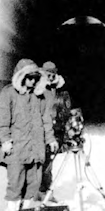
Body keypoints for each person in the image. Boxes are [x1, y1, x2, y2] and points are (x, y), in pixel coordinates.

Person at [0, 58, 58, 211]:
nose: (32, 81)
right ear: (21, 77)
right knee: (15, 181)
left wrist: (50, 138)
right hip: (16, 148)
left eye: (36, 77)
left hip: (36, 147)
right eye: (29, 77)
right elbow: (0, 120)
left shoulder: (40, 97)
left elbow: (46, 120)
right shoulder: (8, 93)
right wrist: (5, 140)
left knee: (34, 182)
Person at [37, 61, 73, 201]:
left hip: (55, 130)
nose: (50, 77)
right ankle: (40, 190)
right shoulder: (38, 89)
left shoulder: (60, 89)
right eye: (48, 74)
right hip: (41, 130)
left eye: (53, 74)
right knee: (41, 161)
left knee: (49, 161)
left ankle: (46, 190)